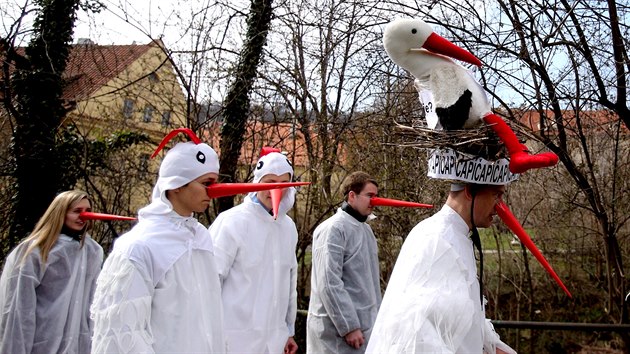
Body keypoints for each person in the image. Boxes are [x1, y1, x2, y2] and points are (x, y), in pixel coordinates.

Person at [90, 130, 226, 353]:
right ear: (176, 184)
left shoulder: (202, 237)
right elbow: (121, 333)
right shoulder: (138, 247)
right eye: (206, 183)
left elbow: (211, 317)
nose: (213, 191)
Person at [365, 182, 517, 354]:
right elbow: (417, 333)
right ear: (469, 191)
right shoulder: (438, 240)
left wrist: (493, 347)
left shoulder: (454, 235)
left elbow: (464, 319)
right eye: (496, 195)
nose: (500, 206)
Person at [208, 148, 298, 354]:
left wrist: (288, 331)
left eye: (283, 183)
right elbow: (210, 280)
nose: (275, 191)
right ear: (257, 182)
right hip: (232, 340)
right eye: (269, 184)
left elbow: (289, 282)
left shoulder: (288, 227)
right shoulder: (232, 222)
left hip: (274, 341)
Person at [0, 190, 104, 354]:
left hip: (77, 344)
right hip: (40, 341)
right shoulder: (35, 250)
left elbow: (93, 302)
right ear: (61, 212)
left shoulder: (92, 251)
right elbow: (19, 305)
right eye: (77, 211)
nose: (84, 216)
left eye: (87, 211)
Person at [307, 171, 382, 353]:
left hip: (365, 329)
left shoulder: (366, 231)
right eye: (369, 196)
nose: (375, 201)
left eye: (376, 196)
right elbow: (329, 282)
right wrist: (348, 326)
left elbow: (370, 283)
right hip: (337, 334)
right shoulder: (333, 229)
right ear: (352, 196)